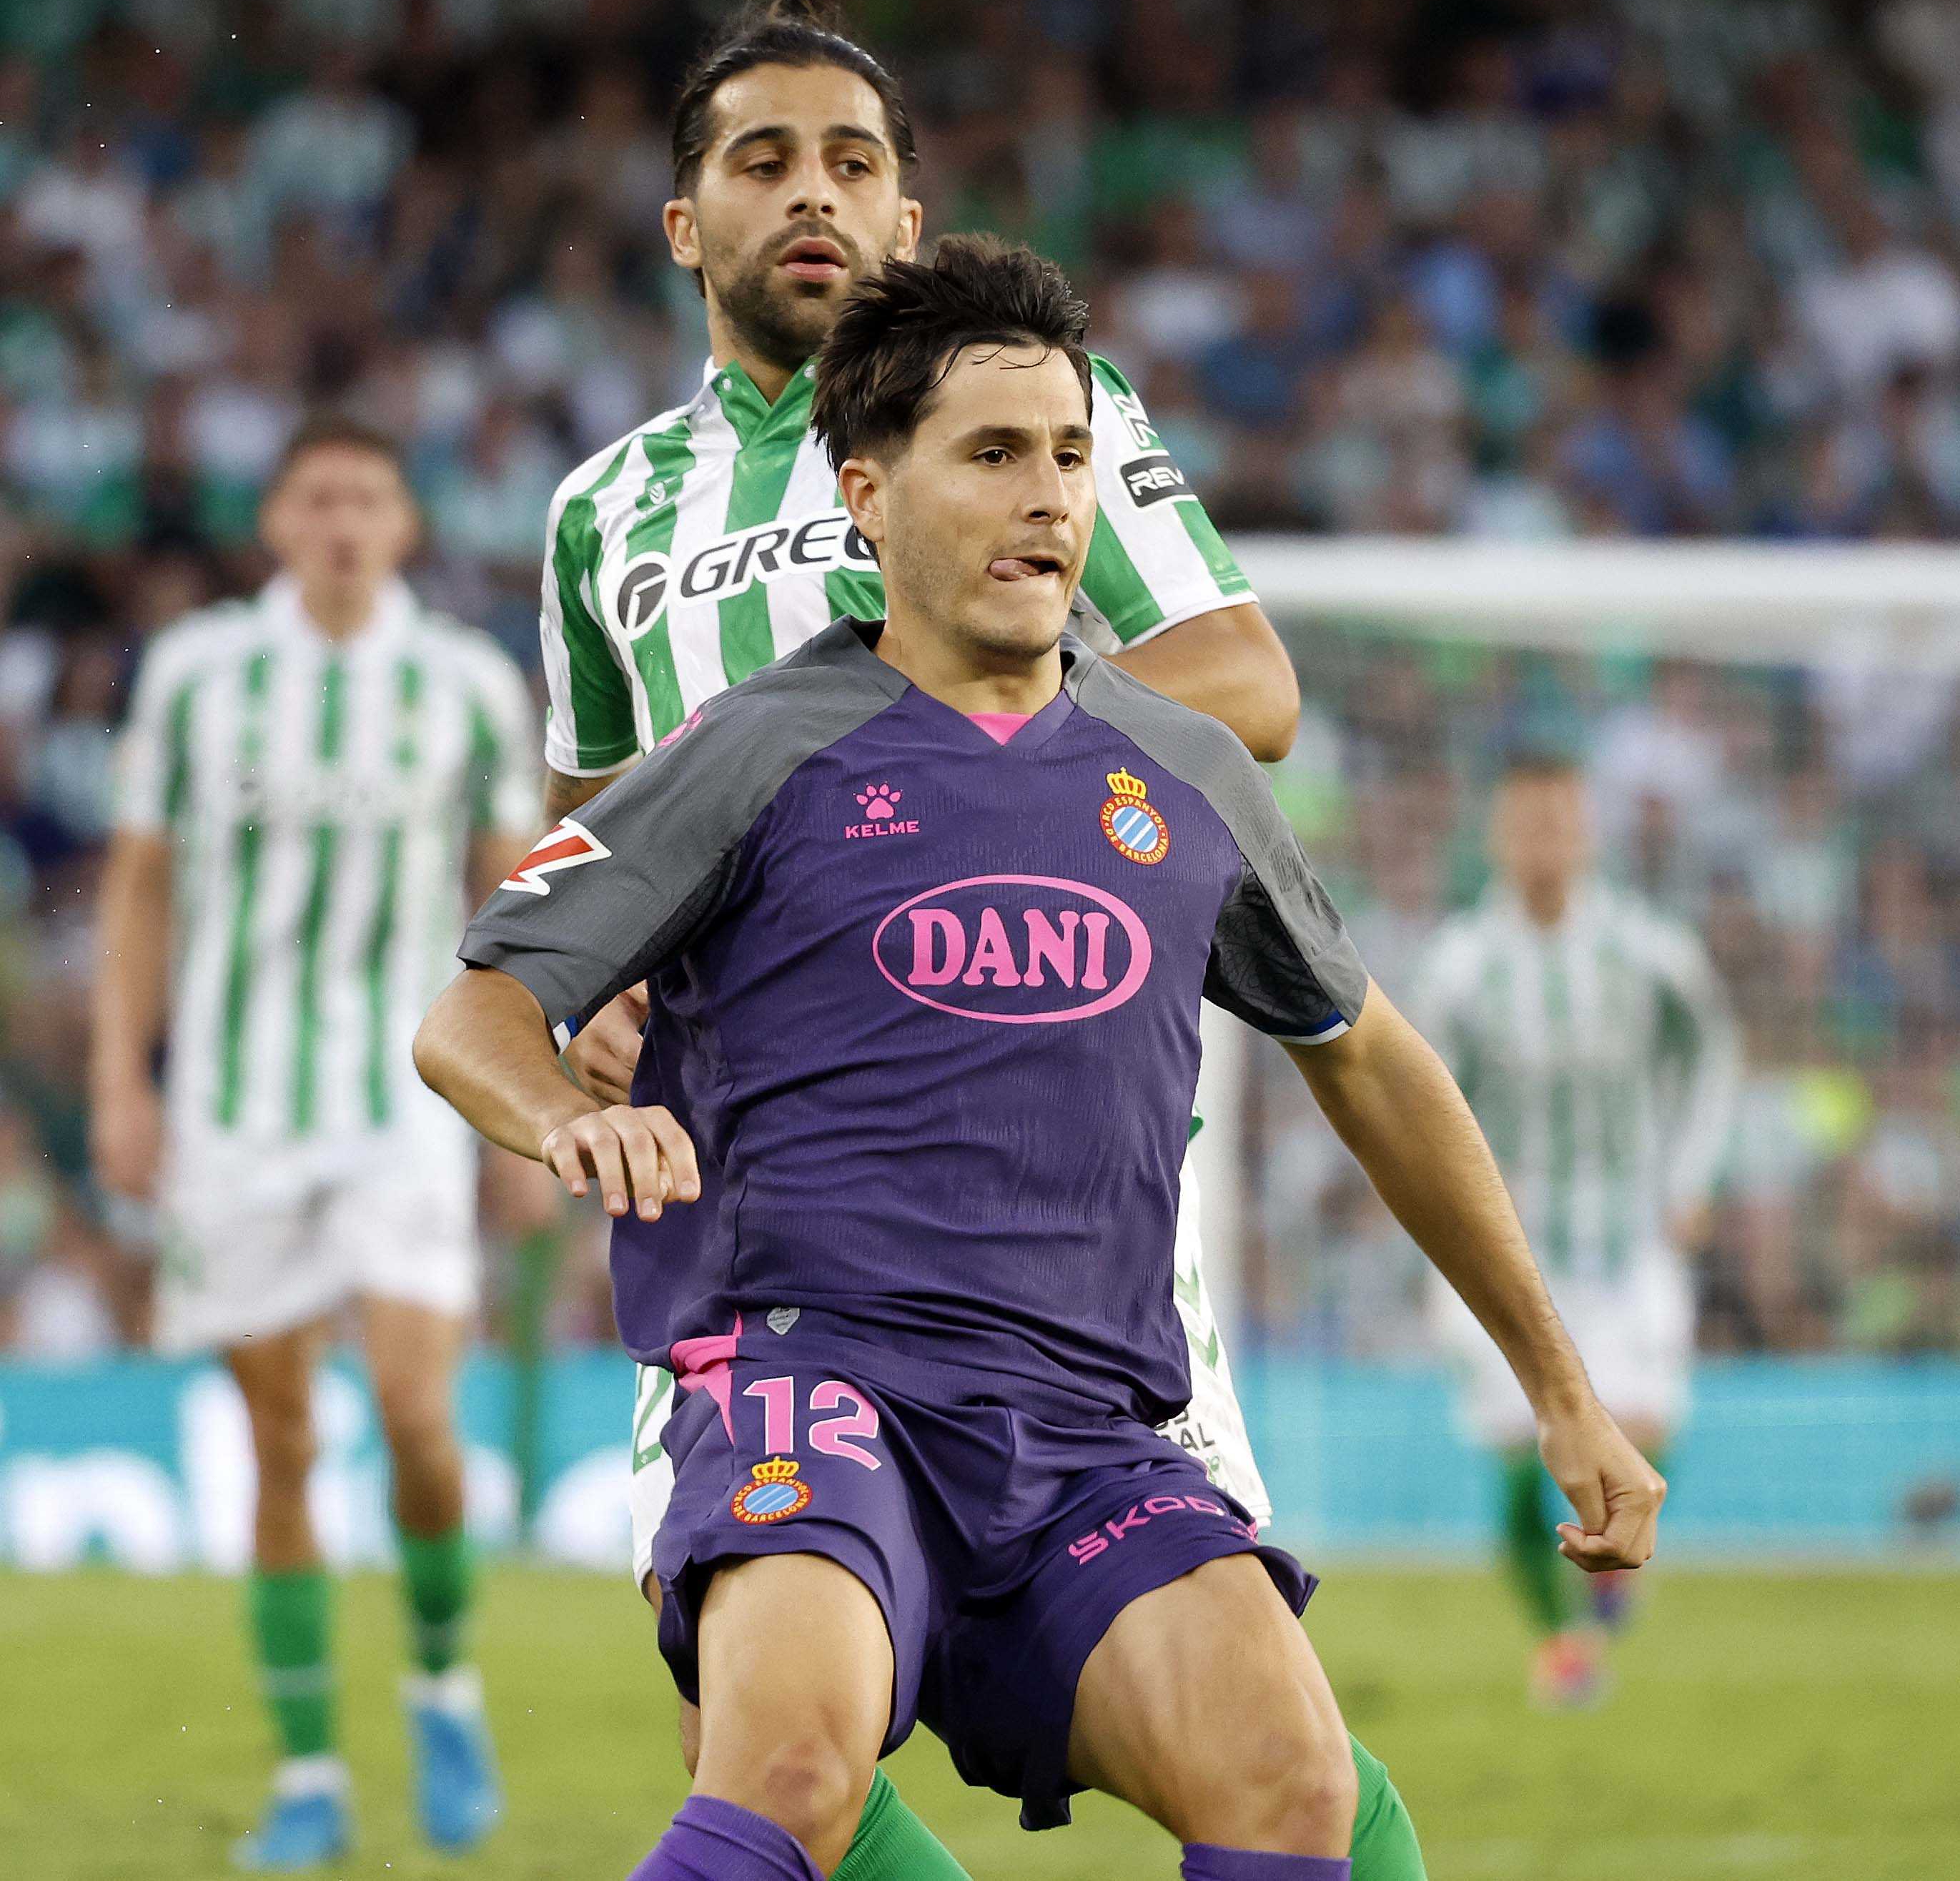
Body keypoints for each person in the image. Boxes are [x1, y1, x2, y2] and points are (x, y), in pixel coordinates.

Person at [415, 237, 1665, 1881]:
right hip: (814, 1378)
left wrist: (1564, 1391)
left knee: (1296, 1786)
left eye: (1070, 455)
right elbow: (476, 1012)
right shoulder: (751, 748)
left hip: (1083, 1421)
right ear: (868, 494)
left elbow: (1371, 1062)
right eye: (993, 454)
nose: (1047, 498)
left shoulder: (1185, 770)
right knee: (789, 1766)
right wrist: (560, 1121)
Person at [544, 0, 1309, 1879]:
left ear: (906, 216)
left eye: (854, 162)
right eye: (764, 160)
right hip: (757, 1192)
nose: (811, 192)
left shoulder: (1031, 414)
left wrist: (977, 759)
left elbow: (1244, 680)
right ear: (685, 223)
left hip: (1047, 1173)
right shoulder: (601, 510)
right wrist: (591, 979)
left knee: (1261, 1729)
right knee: (756, 1718)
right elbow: (585, 816)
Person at [91, 416, 533, 1867]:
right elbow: (139, 885)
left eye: (368, 497)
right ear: (276, 520)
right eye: (317, 497)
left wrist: (523, 1110)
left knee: (415, 1414)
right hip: (234, 1113)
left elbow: (511, 906)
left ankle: (441, 1681)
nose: (342, 520)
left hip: (404, 1105)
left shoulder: (463, 684)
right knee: (277, 1438)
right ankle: (309, 1778)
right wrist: (123, 1079)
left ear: (405, 523)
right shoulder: (198, 674)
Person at [1412, 749, 1737, 1706]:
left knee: (1643, 1432)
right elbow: (1416, 1096)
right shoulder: (1461, 966)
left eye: (1559, 821)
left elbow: (1713, 1056)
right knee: (1523, 1457)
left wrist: (1690, 1176)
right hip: (1504, 1253)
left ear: (1587, 832)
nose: (1543, 841)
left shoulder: (1650, 950)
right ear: (1496, 837)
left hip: (1627, 1241)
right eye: (1526, 823)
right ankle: (1560, 1641)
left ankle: (1602, 1583)